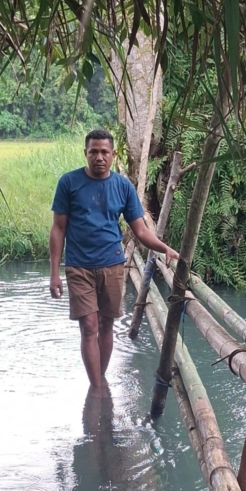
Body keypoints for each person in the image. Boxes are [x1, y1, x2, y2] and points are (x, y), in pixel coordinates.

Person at [49, 129, 180, 396]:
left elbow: (141, 231)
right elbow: (58, 229)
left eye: (104, 152)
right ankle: (97, 389)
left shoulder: (122, 186)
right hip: (79, 266)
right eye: (93, 152)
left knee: (107, 324)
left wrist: (164, 247)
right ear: (85, 153)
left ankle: (99, 380)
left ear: (113, 154)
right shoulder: (69, 183)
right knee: (89, 326)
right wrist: (54, 273)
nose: (99, 157)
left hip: (112, 265)